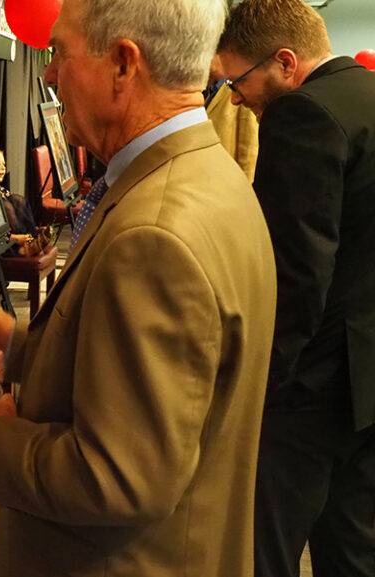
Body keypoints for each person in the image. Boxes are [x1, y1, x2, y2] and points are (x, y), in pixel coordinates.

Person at [0, 0, 277, 575]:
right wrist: (6, 335)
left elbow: (119, 477)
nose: (47, 74)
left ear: (123, 65)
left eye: (59, 53)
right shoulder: (207, 175)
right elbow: (124, 372)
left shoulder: (155, 234)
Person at [217, 1, 375, 575]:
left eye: (237, 79)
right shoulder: (368, 95)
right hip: (366, 378)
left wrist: (261, 381)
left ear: (285, 62)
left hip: (312, 383)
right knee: (353, 548)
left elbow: (297, 275)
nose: (235, 97)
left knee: (260, 549)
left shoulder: (304, 113)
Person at [204, 55, 259, 181]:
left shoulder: (241, 90)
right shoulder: (209, 88)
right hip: (212, 180)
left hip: (232, 184)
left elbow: (250, 151)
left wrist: (246, 191)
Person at [0, 145, 46, 256]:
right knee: (7, 207)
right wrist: (12, 237)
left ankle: (31, 238)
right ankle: (21, 248)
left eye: (3, 164)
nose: (2, 167)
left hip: (13, 232)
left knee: (18, 200)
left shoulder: (1, 190)